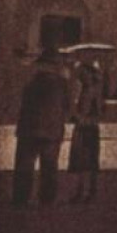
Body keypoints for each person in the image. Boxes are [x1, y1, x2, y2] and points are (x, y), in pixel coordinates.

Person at [13, 50, 69, 208]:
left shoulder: (31, 83)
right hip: (51, 131)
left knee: (25, 166)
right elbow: (67, 107)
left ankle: (21, 198)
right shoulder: (61, 84)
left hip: (28, 130)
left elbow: (22, 105)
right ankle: (47, 199)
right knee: (49, 167)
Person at [67, 61, 104, 203]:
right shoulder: (91, 90)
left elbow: (88, 111)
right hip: (90, 127)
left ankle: (84, 191)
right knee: (89, 160)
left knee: (83, 160)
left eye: (82, 74)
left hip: (85, 127)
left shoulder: (89, 92)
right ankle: (88, 191)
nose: (80, 77)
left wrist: (78, 116)